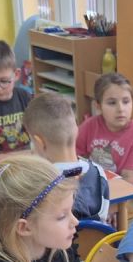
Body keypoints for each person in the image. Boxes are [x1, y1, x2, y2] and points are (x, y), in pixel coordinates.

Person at [23, 92, 110, 223]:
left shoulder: (39, 182)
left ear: (40, 143)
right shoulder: (98, 172)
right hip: (97, 236)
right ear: (76, 131)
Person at [76, 72, 133, 186]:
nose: (121, 109)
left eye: (126, 101)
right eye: (112, 103)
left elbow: (128, 178)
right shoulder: (89, 126)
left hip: (120, 190)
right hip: (90, 187)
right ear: (98, 106)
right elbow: (75, 161)